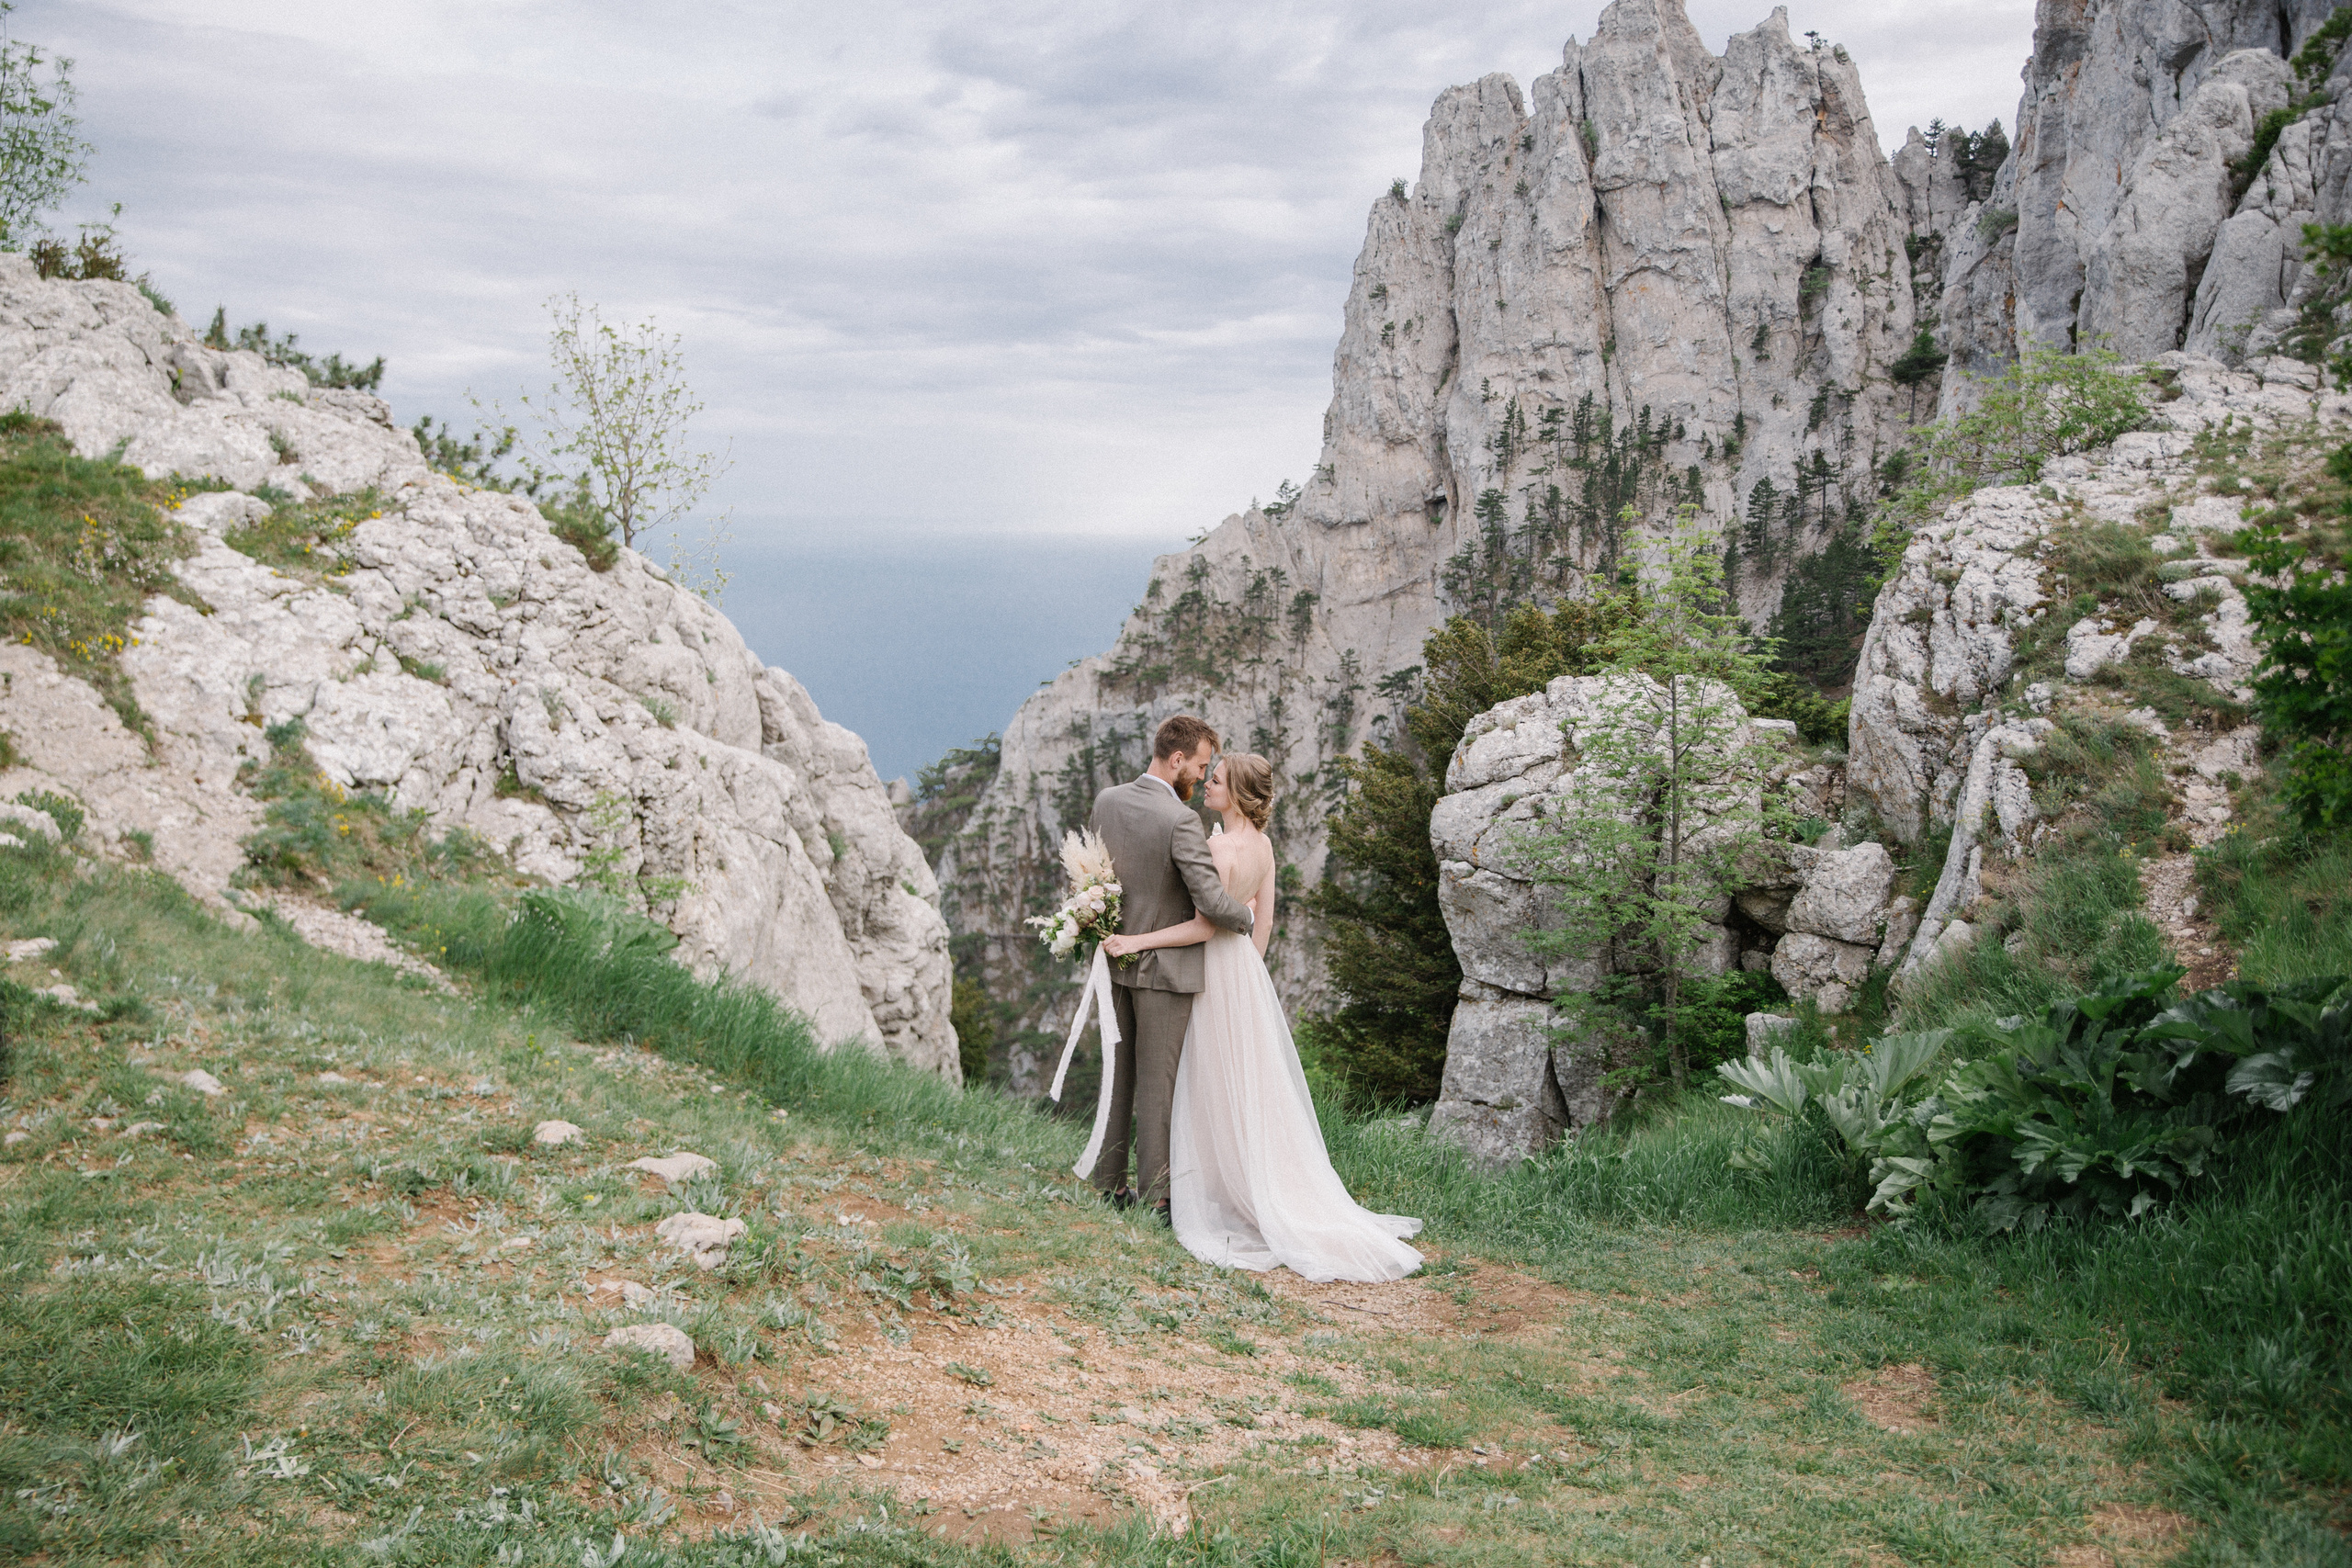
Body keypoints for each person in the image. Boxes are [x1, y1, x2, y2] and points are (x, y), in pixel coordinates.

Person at [1103, 751, 1423, 1283]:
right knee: (1246, 1087)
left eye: (1218, 781)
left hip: (1208, 973)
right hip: (1247, 977)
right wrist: (1248, 978)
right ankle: (1246, 1182)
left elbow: (1202, 929)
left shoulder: (1217, 847)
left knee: (1205, 1086)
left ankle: (1202, 1193)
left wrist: (1135, 939)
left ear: (1238, 794)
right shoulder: (1264, 847)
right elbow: (1263, 922)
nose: (1207, 784)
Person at [1084, 715, 1257, 1220]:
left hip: (1115, 960)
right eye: (1201, 767)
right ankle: (1157, 1198)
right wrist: (1245, 913)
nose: (1203, 778)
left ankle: (1108, 1187)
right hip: (1165, 971)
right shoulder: (1182, 821)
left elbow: (1092, 881)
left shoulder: (1107, 801)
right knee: (1158, 1087)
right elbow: (1209, 900)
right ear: (1176, 759)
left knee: (1116, 1077)